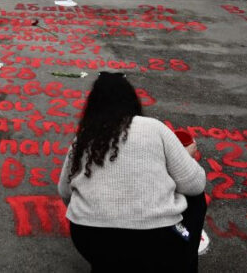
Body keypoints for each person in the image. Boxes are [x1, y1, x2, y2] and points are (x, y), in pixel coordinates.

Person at [58, 72, 207, 273]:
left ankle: (108, 264)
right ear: (132, 101)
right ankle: (184, 263)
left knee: (110, 252)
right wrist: (185, 156)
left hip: (91, 240)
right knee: (196, 200)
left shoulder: (84, 136)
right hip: (156, 240)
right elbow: (195, 184)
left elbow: (65, 191)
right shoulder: (154, 127)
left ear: (93, 106)